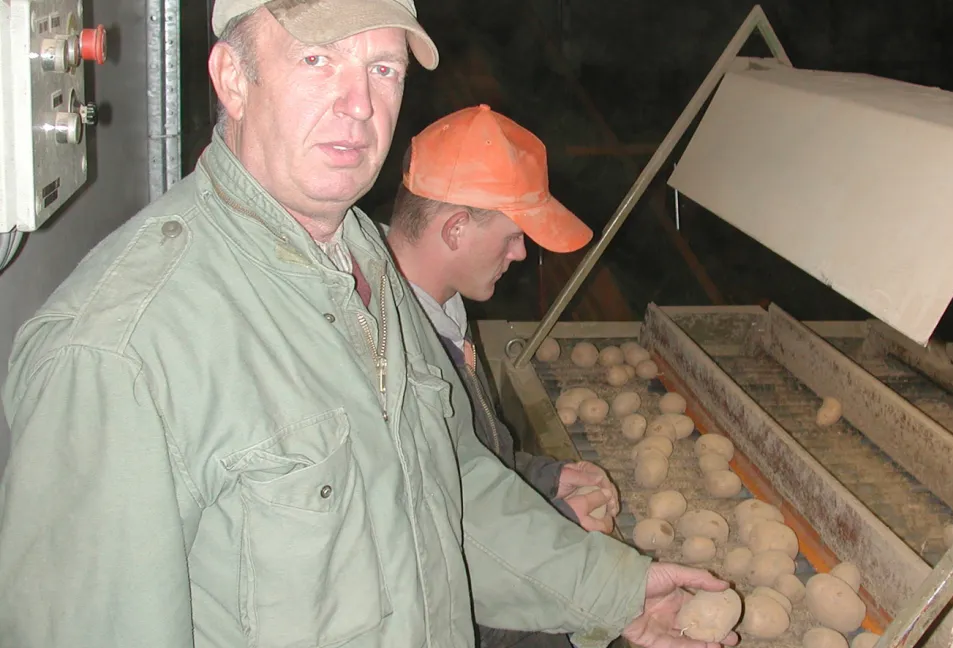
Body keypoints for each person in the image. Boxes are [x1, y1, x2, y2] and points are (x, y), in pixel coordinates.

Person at [0, 1, 738, 647]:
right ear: (232, 78)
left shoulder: (365, 264)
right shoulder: (118, 352)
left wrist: (614, 593)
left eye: (383, 69)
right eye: (318, 59)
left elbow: (450, 494)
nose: (358, 103)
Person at [386, 105, 618, 648]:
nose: (521, 253)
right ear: (456, 228)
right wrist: (557, 533)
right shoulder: (384, 348)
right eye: (513, 235)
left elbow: (462, 459)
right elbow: (421, 561)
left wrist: (543, 478)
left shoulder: (439, 309)